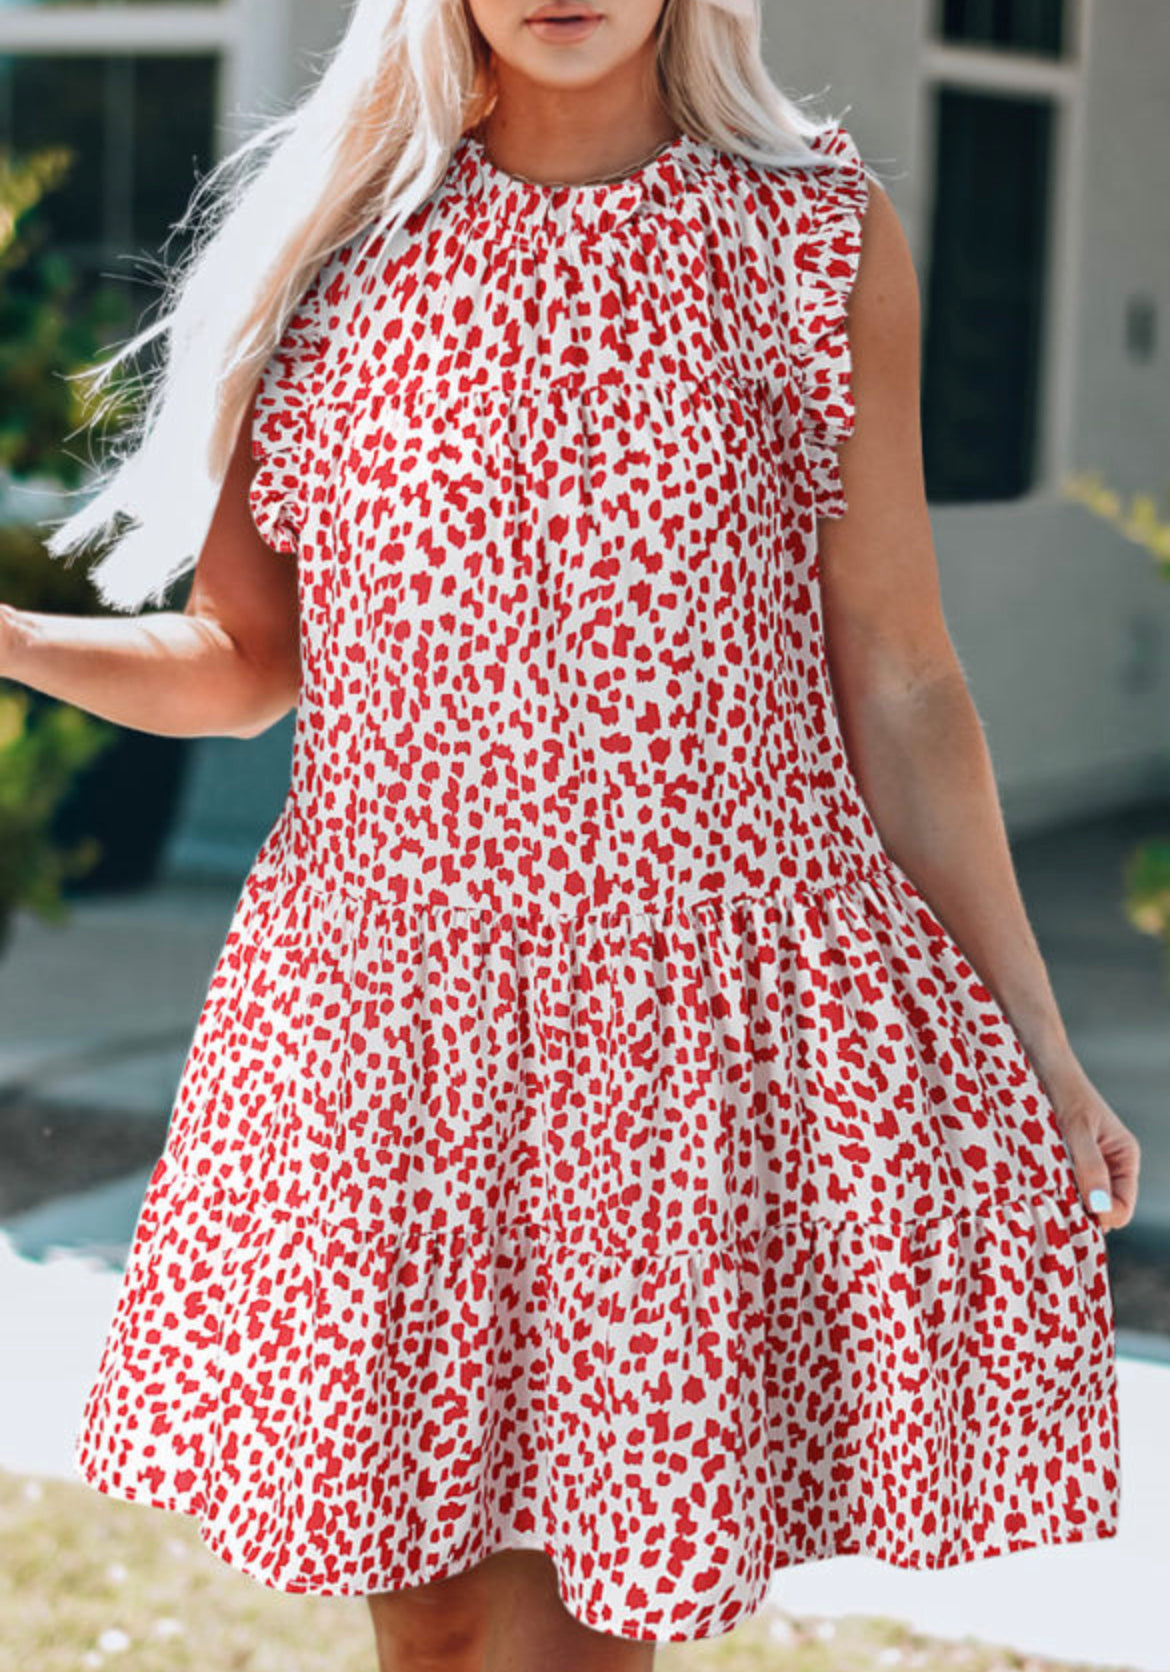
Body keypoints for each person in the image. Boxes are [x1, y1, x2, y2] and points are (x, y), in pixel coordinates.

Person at [2, 0, 1140, 1667]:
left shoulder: (808, 235)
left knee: (588, 1635)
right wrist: (19, 643)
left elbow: (900, 680)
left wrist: (1037, 1044)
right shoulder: (328, 252)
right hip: (391, 1025)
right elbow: (243, 666)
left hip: (676, 1033)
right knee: (443, 1634)